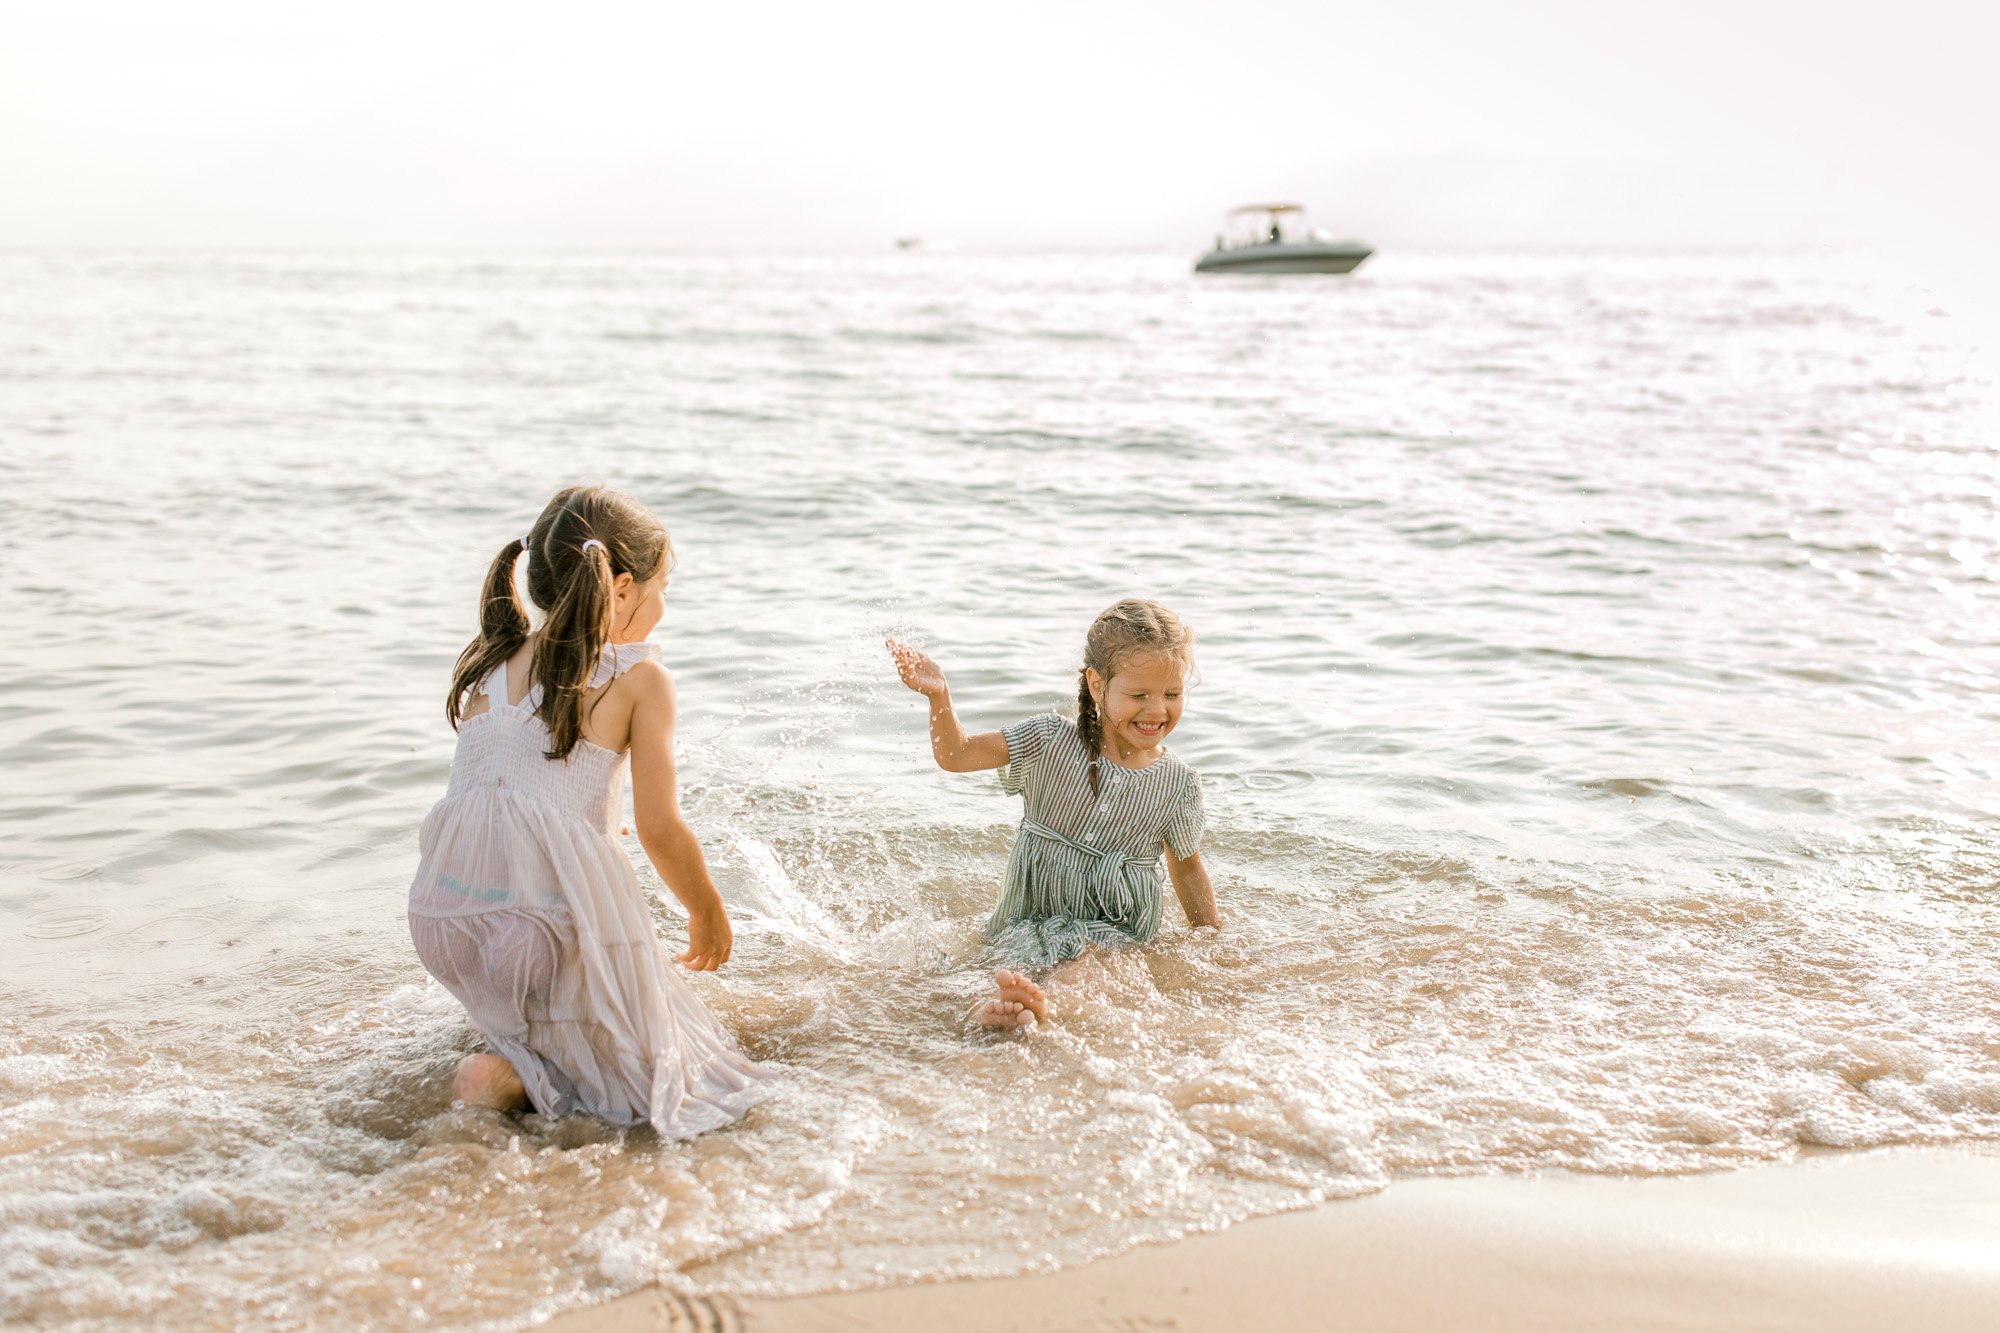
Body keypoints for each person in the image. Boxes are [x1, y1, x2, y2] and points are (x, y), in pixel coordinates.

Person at [408, 484, 769, 1136]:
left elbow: (512, 794)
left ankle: (515, 1051)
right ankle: (503, 1078)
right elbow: (661, 828)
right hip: (531, 931)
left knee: (548, 1000)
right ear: (623, 587)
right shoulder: (639, 678)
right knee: (672, 1059)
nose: (662, 605)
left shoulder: (495, 654)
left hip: (443, 912)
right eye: (662, 587)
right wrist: (706, 909)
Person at [887, 599, 1219, 1029]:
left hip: (1113, 933)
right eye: (1139, 695)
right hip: (1029, 918)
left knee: (1090, 969)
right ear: (1098, 685)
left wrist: (1211, 940)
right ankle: (996, 1011)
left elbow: (1188, 869)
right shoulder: (1048, 741)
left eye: (1172, 694)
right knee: (1000, 966)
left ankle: (1036, 1010)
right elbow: (957, 755)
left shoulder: (1178, 783)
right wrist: (939, 695)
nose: (1157, 711)